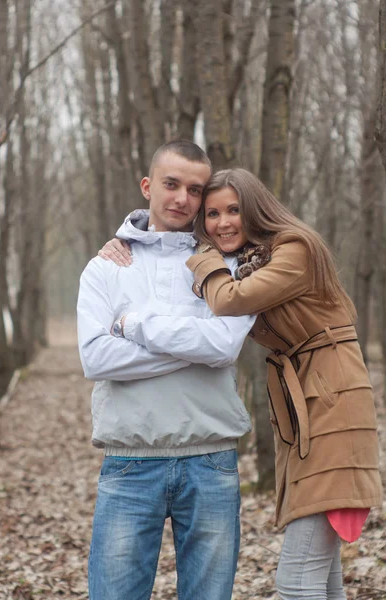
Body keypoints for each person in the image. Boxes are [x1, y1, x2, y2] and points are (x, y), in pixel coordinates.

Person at [102, 167, 383, 599]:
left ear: (256, 209)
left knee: (296, 583)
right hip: (307, 407)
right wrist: (129, 237)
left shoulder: (294, 248)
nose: (222, 222)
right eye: (211, 215)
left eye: (234, 210)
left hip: (331, 407)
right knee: (326, 578)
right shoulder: (253, 261)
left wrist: (204, 256)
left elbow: (229, 300)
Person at [77, 141, 257, 600]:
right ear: (147, 186)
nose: (182, 199)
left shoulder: (229, 265)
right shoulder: (105, 268)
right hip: (129, 461)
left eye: (195, 190)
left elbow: (225, 346)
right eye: (171, 184)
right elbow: (96, 358)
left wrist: (134, 328)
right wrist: (199, 342)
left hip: (211, 458)